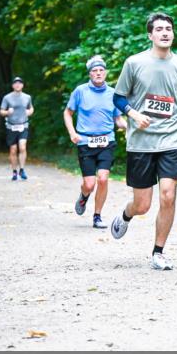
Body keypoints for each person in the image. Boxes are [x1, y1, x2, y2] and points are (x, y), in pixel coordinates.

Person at [110, 12, 177, 270]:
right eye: (160, 29)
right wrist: (133, 114)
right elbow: (118, 98)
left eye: (169, 29)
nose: (165, 32)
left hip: (172, 137)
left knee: (168, 196)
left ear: (173, 33)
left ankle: (158, 252)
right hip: (141, 141)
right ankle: (126, 214)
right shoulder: (134, 63)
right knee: (142, 205)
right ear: (150, 35)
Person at [63, 55, 127, 229]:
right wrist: (72, 132)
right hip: (85, 142)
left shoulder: (113, 94)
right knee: (89, 184)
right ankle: (84, 196)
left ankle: (97, 216)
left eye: (101, 70)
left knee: (103, 179)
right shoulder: (80, 91)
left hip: (107, 141)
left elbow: (118, 119)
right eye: (94, 71)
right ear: (90, 74)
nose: (98, 73)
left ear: (105, 73)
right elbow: (67, 113)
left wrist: (128, 128)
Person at [0, 76, 34, 181]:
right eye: (15, 83)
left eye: (19, 83)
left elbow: (31, 108)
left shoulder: (27, 97)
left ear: (22, 85)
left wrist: (30, 112)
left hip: (23, 125)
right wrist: (7, 112)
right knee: (13, 150)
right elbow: (1, 111)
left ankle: (22, 169)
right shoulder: (7, 98)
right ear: (13, 85)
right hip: (11, 126)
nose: (17, 85)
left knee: (22, 147)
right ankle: (14, 171)